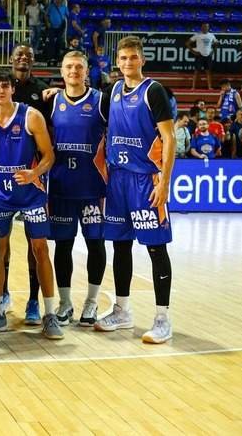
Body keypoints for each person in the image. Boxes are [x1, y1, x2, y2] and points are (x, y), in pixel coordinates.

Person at [95, 36, 175, 344]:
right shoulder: (113, 90)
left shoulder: (152, 91)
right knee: (120, 246)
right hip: (118, 181)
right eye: (123, 58)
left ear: (142, 60)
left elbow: (169, 139)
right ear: (117, 62)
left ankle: (162, 319)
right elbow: (90, 110)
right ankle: (122, 310)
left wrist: (165, 183)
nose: (128, 63)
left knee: (156, 248)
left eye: (133, 58)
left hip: (146, 180)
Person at [0, 69, 60, 339]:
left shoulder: (31, 116)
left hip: (30, 188)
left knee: (40, 248)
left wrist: (35, 173)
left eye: (5, 86)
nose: (0, 90)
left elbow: (49, 156)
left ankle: (49, 313)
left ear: (12, 89)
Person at [46, 52, 108, 327]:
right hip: (60, 187)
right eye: (69, 66)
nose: (74, 71)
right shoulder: (52, 101)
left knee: (95, 244)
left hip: (93, 188)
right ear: (62, 71)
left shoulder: (100, 100)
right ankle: (65, 302)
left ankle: (92, 302)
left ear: (86, 71)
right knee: (63, 246)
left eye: (79, 67)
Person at [187, 23, 218, 90]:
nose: (205, 28)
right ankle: (193, 87)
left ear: (208, 27)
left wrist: (213, 51)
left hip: (208, 56)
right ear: (201, 27)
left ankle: (209, 87)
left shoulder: (211, 35)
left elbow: (216, 43)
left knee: (208, 72)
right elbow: (187, 43)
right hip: (199, 55)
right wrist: (193, 52)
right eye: (204, 26)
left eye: (206, 26)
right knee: (196, 71)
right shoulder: (197, 35)